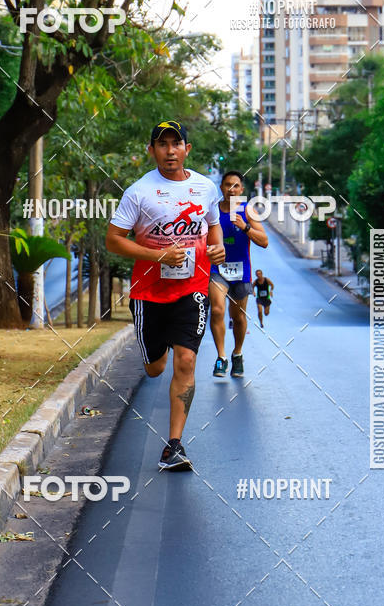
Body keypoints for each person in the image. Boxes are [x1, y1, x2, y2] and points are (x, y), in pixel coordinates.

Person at [106, 120, 225, 471]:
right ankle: (162, 348)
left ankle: (174, 445)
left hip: (193, 289)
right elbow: (113, 240)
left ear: (187, 149)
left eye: (176, 143)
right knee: (156, 368)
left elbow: (213, 224)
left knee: (186, 361)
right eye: (162, 144)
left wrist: (216, 249)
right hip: (149, 294)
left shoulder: (205, 188)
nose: (170, 150)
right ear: (152, 150)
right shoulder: (138, 193)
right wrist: (156, 255)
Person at [209, 171, 268, 377]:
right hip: (217, 268)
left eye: (235, 186)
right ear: (221, 187)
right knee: (217, 310)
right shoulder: (213, 211)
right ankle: (221, 356)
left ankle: (237, 354)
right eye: (227, 185)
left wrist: (245, 227)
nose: (231, 189)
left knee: (238, 317)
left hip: (241, 270)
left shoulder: (247, 211)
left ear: (241, 190)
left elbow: (264, 241)